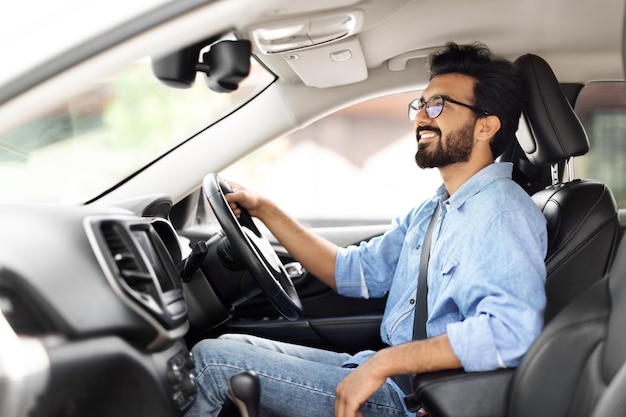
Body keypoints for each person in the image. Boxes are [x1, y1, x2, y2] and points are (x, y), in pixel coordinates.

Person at [185, 42, 547, 417]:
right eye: (420, 104)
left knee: (213, 362)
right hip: (391, 378)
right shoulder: (435, 209)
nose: (421, 117)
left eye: (437, 105)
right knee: (228, 342)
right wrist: (266, 210)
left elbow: (510, 332)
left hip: (421, 402)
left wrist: (385, 363)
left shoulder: (502, 212)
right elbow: (353, 272)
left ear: (485, 126)